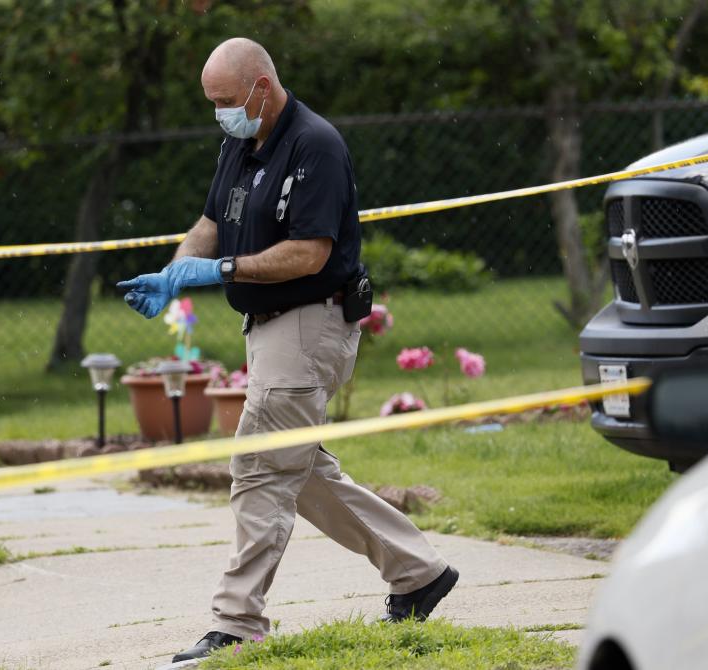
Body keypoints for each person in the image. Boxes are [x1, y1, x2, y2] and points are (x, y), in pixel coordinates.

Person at [118, 37, 457, 664]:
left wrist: (219, 270)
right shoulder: (239, 144)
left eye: (225, 100)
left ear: (261, 87)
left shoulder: (315, 145)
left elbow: (309, 253)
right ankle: (419, 573)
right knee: (299, 473)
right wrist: (176, 272)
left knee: (260, 469)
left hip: (310, 322)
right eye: (212, 102)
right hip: (273, 329)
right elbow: (209, 223)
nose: (219, 112)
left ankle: (235, 621)